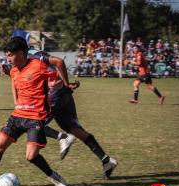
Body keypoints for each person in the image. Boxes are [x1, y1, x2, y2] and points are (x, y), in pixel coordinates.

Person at [0, 37, 68, 186]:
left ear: (21, 53)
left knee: (31, 156)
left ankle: (53, 175)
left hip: (35, 117)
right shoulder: (13, 70)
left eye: (10, 55)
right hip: (17, 115)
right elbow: (17, 78)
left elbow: (54, 79)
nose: (8, 58)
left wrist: (56, 84)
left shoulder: (38, 65)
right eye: (6, 55)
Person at [29, 49, 118, 179]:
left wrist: (63, 83)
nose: (9, 58)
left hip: (55, 95)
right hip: (63, 94)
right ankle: (106, 160)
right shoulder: (31, 57)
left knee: (33, 123)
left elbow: (57, 63)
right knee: (75, 129)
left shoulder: (33, 55)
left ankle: (63, 138)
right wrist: (64, 83)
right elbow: (48, 74)